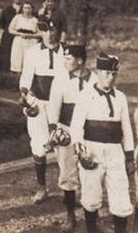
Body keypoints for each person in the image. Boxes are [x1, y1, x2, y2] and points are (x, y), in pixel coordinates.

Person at [70, 54, 134, 233]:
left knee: (121, 195)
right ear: (98, 72)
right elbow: (76, 128)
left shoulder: (120, 97)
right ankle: (92, 229)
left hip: (115, 152)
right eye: (106, 73)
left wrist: (129, 157)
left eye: (114, 73)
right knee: (91, 196)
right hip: (92, 150)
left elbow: (126, 129)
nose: (110, 77)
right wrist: (81, 153)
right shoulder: (85, 96)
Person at [47, 44, 94, 231]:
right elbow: (53, 108)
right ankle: (70, 216)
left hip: (89, 132)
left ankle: (92, 218)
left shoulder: (95, 80)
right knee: (67, 173)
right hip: (66, 130)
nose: (65, 62)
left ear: (80, 60)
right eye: (64, 58)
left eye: (68, 58)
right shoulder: (60, 79)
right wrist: (55, 130)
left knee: (91, 171)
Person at [19, 19, 66, 204]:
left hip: (62, 103)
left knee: (64, 144)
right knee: (38, 144)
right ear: (41, 31)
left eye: (53, 30)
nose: (49, 34)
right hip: (39, 102)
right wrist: (25, 97)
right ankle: (42, 187)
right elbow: (25, 79)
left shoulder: (66, 52)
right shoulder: (33, 52)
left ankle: (68, 189)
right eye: (45, 30)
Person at [0, 0, 23, 73]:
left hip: (21, 35)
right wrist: (9, 30)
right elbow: (2, 23)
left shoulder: (25, 9)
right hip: (8, 36)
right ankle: (4, 73)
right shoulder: (7, 9)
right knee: (7, 53)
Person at [8, 1, 40, 73]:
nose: (27, 10)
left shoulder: (35, 20)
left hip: (31, 41)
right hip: (19, 39)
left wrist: (31, 35)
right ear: (22, 9)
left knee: (29, 59)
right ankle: (16, 77)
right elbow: (10, 29)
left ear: (32, 9)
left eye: (29, 8)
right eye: (25, 8)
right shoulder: (17, 17)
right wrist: (20, 34)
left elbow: (40, 33)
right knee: (17, 58)